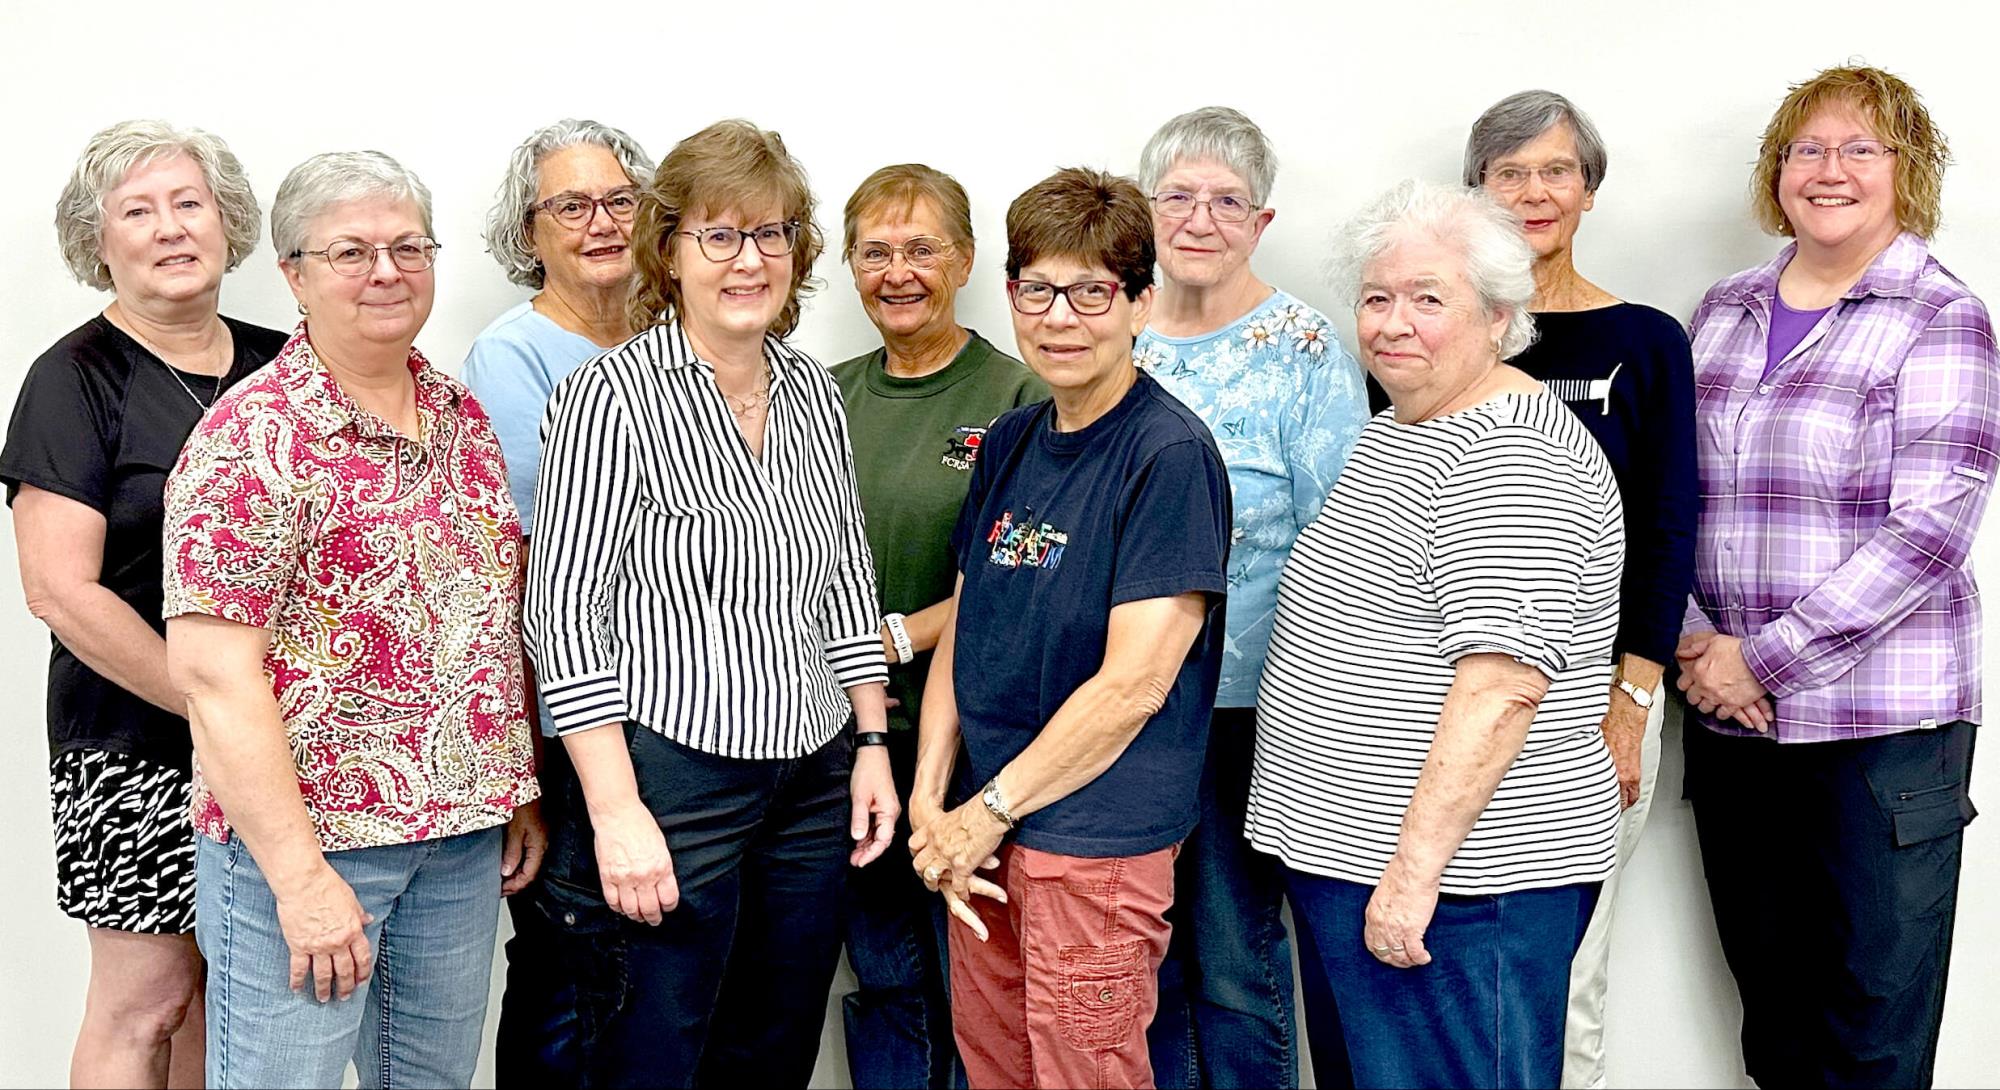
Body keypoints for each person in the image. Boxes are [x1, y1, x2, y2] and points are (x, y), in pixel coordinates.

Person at [523, 119, 899, 1089]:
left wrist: (868, 745)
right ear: (669, 250)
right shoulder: (611, 395)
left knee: (771, 1048)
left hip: (812, 776)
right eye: (718, 236)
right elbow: (563, 618)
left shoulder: (813, 389)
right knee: (654, 1049)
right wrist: (614, 811)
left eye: (771, 234)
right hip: (675, 777)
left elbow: (845, 577)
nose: (749, 260)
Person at [160, 150, 542, 1090]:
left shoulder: (463, 417)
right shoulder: (250, 439)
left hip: (459, 838)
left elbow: (489, 621)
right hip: (312, 849)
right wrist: (298, 879)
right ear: (293, 273)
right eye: (352, 252)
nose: (387, 271)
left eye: (409, 246)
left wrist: (516, 782)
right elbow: (214, 675)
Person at [1247, 180, 1624, 1090]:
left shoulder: (1511, 452)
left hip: (1458, 892)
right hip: (1365, 873)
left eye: (1428, 298)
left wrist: (1414, 880)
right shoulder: (1407, 426)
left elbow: (1501, 690)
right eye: (1377, 298)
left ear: (1500, 315)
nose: (1392, 324)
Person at [1676, 64, 1993, 1090]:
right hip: (1733, 731)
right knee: (1773, 1021)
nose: (1828, 170)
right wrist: (1694, 645)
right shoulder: (1719, 312)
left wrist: (1755, 659)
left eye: (1860, 148)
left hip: (1881, 731)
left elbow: (1927, 532)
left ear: (1906, 174)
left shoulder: (1938, 315)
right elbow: (1668, 496)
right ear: (1776, 173)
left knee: (1869, 1034)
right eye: (1805, 148)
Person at [908, 166, 1233, 1090]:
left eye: (1092, 292)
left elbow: (1134, 687)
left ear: (1140, 301)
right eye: (1039, 290)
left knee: (1085, 1074)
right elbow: (968, 630)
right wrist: (935, 799)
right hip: (982, 835)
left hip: (1093, 844)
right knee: (998, 1069)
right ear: (1011, 297)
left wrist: (985, 813)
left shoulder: (1167, 455)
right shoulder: (1012, 441)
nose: (1061, 317)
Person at [1, 119, 282, 1090]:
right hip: (133, 744)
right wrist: (207, 701)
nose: (169, 228)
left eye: (188, 202)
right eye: (138, 210)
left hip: (282, 745)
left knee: (233, 993)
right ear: (100, 240)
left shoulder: (286, 367)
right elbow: (59, 590)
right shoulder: (72, 380)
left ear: (227, 221)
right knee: (147, 1000)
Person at [1461, 90, 1698, 1090]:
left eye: (1554, 171)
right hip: (1455, 695)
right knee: (1447, 950)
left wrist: (1631, 693)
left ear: (1588, 190)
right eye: (1508, 172)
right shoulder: (1436, 335)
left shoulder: (1643, 341)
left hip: (1594, 695)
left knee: (1568, 963)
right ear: (1475, 190)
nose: (1531, 192)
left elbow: (1665, 524)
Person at [1132, 105, 1367, 1090]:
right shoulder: (1106, 327)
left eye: (1226, 200)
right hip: (1123, 703)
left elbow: (1342, 541)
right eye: (1178, 196)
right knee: (1137, 958)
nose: (1198, 218)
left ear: (1261, 223)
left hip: (1250, 708)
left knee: (1231, 954)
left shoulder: (1304, 347)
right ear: (1145, 210)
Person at [831, 163, 1047, 1090]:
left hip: (968, 749)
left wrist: (898, 639)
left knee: (980, 980)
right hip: (836, 744)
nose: (899, 272)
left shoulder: (1022, 397)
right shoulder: (814, 393)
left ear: (964, 260)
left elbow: (1032, 579)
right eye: (875, 252)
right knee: (884, 977)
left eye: (922, 249)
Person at [460, 117, 652, 1089]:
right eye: (570, 205)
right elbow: (534, 567)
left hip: (684, 714)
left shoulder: (682, 334)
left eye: (618, 199)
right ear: (528, 233)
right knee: (570, 966)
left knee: (654, 972)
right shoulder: (513, 358)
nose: (600, 222)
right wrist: (527, 766)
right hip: (576, 713)